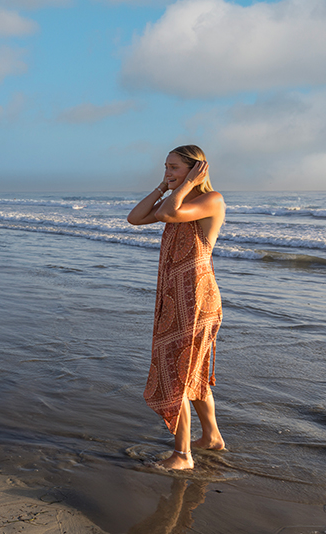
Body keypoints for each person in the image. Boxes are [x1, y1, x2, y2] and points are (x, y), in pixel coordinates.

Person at [127, 145, 226, 470]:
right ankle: (212, 438)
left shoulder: (210, 200)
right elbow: (135, 218)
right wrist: (163, 187)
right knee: (191, 371)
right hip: (174, 297)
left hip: (196, 299)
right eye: (166, 167)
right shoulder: (176, 197)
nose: (167, 172)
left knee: (178, 372)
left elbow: (168, 214)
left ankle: (182, 456)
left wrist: (182, 187)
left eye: (173, 168)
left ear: (196, 170)